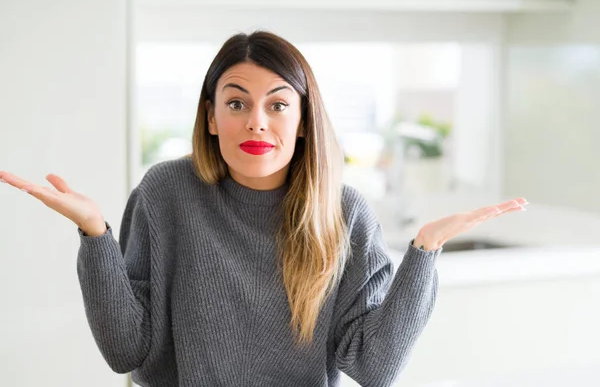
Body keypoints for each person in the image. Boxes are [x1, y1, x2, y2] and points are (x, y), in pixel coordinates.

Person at [0, 31, 527, 387]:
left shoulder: (343, 213)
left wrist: (425, 251)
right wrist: (95, 235)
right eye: (236, 103)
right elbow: (127, 351)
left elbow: (374, 367)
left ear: (301, 122)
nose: (257, 121)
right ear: (210, 117)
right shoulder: (166, 194)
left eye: (277, 104)